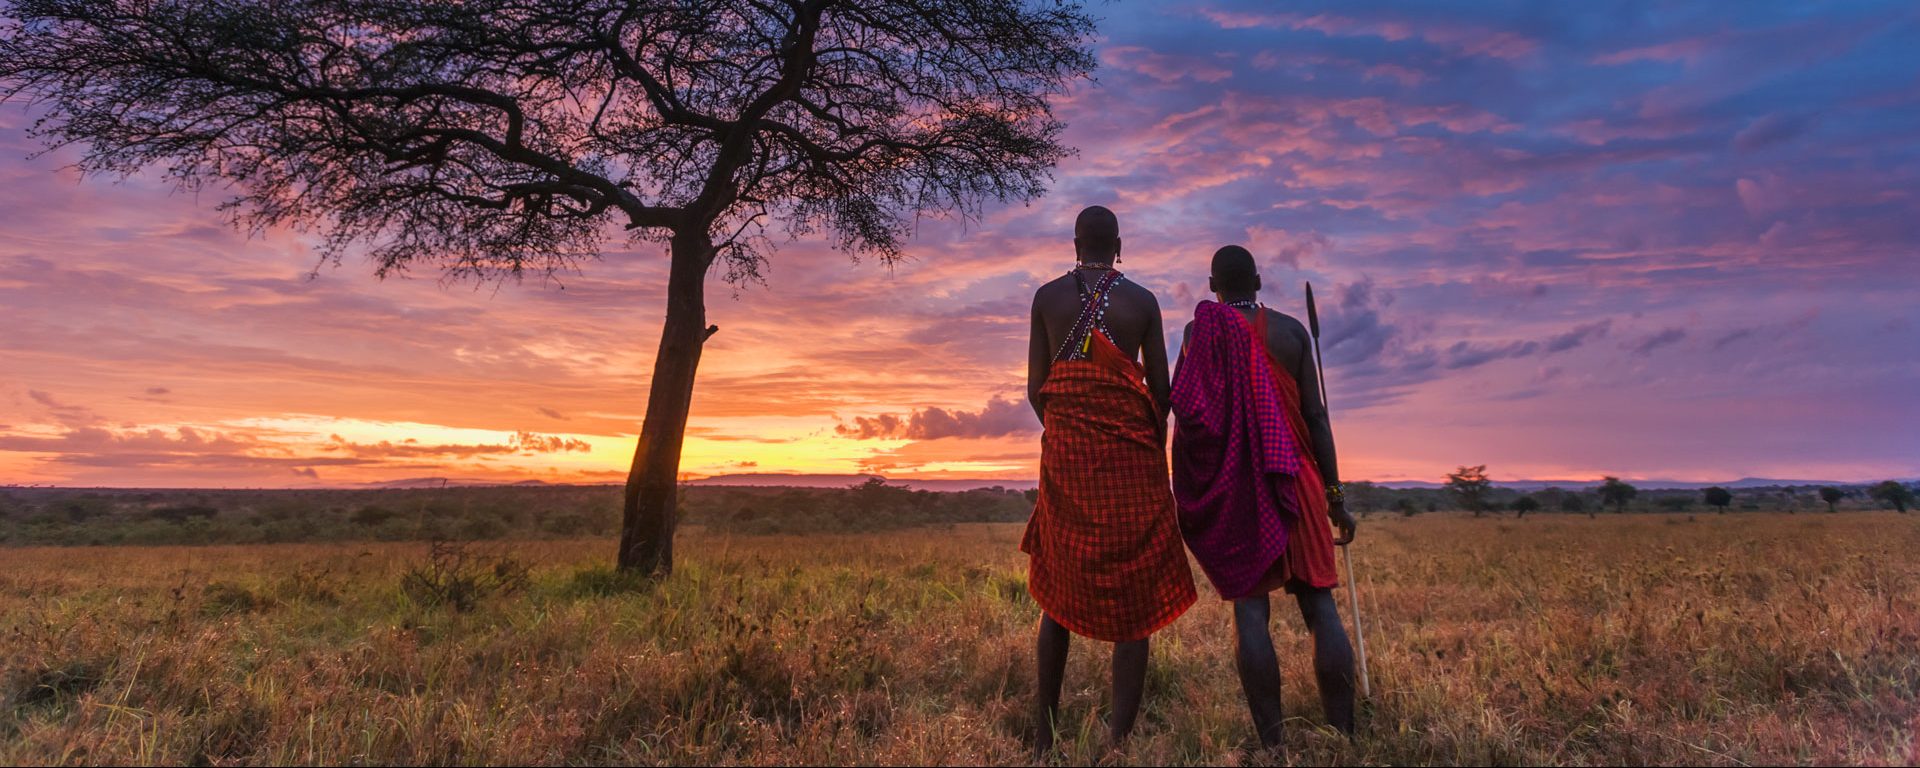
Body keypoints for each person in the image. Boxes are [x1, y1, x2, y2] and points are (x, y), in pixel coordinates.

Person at [1169, 245, 1359, 752]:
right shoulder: (1293, 333)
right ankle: (1343, 736)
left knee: (1250, 612)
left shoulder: (1197, 333)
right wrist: (1336, 496)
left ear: (1212, 286)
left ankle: (1273, 747)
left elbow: (1190, 416)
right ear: (1257, 280)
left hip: (1240, 488)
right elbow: (1317, 419)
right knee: (1321, 607)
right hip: (1297, 478)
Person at [1022, 205, 1197, 753]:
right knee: (1136, 588)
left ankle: (1044, 731)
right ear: (1118, 244)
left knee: (1057, 590)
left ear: (1075, 244)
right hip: (1132, 466)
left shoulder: (1046, 298)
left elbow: (1036, 388)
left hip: (1067, 463)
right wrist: (1129, 437)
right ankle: (1120, 738)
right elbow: (1163, 392)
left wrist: (1074, 433)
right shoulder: (1142, 302)